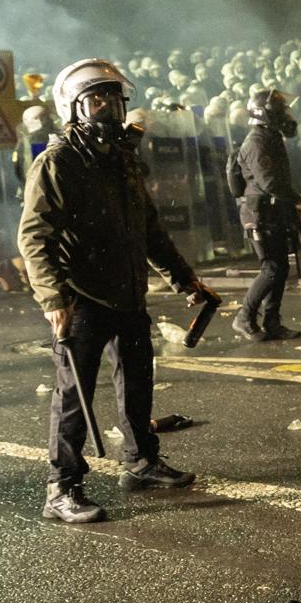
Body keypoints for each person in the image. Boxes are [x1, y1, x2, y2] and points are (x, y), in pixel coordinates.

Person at [19, 59, 216, 523]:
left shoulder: (121, 159)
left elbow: (148, 228)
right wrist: (53, 300)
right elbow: (34, 237)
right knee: (74, 397)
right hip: (81, 299)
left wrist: (183, 277)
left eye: (114, 100)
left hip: (127, 293)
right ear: (73, 107)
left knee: (138, 380)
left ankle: (141, 462)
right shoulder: (58, 162)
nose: (108, 109)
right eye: (96, 101)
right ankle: (61, 488)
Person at [228, 87, 301, 341]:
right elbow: (270, 182)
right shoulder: (257, 142)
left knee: (280, 268)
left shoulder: (269, 138)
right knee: (272, 268)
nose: (285, 114)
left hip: (272, 212)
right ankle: (244, 317)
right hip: (259, 214)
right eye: (280, 109)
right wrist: (297, 199)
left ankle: (272, 322)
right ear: (265, 113)